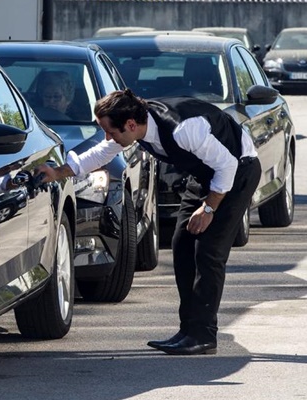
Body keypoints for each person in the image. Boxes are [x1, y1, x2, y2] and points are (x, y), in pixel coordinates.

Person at [36, 89, 261, 356]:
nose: (109, 137)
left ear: (130, 124)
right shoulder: (137, 125)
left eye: (111, 131)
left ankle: (203, 336)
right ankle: (188, 330)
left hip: (236, 173)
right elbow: (101, 153)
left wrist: (209, 208)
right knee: (182, 245)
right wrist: (59, 172)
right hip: (204, 176)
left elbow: (227, 166)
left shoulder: (182, 129)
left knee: (209, 252)